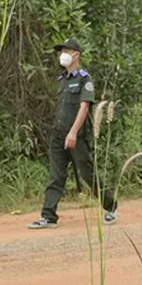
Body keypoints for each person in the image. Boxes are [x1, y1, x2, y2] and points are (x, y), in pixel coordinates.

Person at [29, 39, 118, 229]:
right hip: (59, 134)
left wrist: (73, 133)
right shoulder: (61, 80)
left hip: (76, 135)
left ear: (76, 54)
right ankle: (48, 216)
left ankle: (111, 206)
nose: (62, 54)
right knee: (56, 175)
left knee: (87, 174)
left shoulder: (85, 79)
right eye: (61, 51)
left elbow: (84, 107)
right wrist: (62, 132)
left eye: (66, 51)